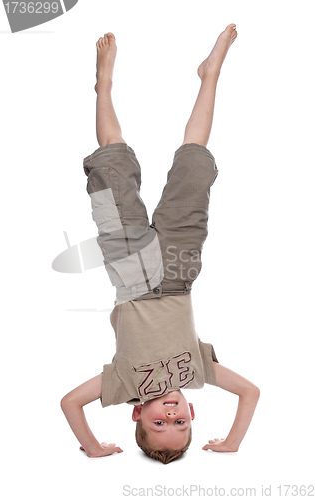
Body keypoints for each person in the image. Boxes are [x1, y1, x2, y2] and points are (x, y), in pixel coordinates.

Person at [61, 24, 260, 464]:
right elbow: (250, 392)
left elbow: (70, 403)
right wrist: (232, 442)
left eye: (159, 425)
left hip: (130, 271)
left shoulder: (122, 385)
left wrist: (93, 448)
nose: (170, 416)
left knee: (112, 161)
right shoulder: (199, 374)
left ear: (136, 416)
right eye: (181, 424)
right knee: (195, 164)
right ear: (192, 411)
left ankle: (104, 84)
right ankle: (210, 74)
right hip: (180, 270)